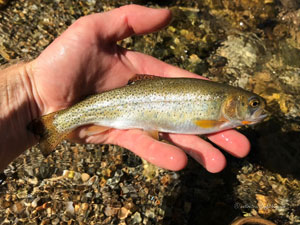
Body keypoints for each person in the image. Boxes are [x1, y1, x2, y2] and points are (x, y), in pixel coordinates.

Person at [0, 5, 250, 173]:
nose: (255, 110)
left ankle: (50, 125)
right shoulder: (217, 119)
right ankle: (52, 126)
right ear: (233, 103)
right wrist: (30, 91)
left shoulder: (221, 111)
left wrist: (29, 93)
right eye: (252, 105)